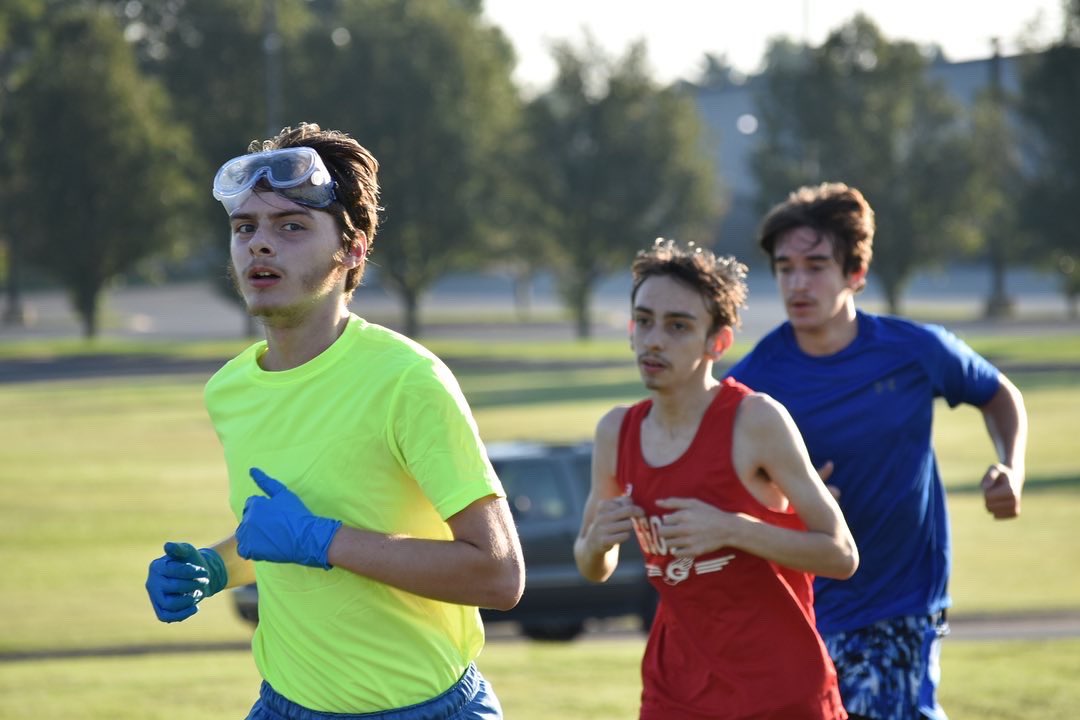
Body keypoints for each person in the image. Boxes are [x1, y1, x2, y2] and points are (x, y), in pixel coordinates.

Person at [144, 122, 524, 719]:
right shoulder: (229, 391)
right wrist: (217, 565)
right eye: (245, 228)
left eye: (291, 226)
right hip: (285, 706)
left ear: (351, 250)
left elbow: (499, 575)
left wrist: (324, 541)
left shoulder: (409, 380)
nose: (259, 246)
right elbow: (280, 533)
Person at [727, 183, 1028, 720]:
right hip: (803, 608)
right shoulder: (750, 385)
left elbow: (999, 394)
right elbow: (726, 491)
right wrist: (787, 502)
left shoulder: (914, 351)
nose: (798, 282)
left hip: (904, 601)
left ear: (855, 274)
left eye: (816, 265)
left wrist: (1012, 467)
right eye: (785, 267)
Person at [575, 238, 859, 720]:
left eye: (678, 326)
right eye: (643, 321)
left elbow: (841, 555)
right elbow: (590, 564)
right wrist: (597, 543)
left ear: (718, 342)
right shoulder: (615, 432)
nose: (654, 340)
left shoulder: (756, 421)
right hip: (674, 692)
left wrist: (732, 529)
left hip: (779, 693)